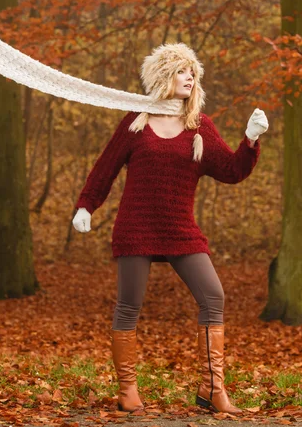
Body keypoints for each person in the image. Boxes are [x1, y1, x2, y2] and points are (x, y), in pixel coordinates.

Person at [71, 43, 268, 415]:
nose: (189, 77)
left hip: (180, 229)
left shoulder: (200, 126)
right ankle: (128, 390)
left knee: (213, 297)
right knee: (129, 306)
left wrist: (250, 140)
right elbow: (105, 168)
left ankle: (212, 389)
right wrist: (86, 205)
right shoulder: (136, 122)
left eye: (193, 72)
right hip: (136, 228)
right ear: (163, 76)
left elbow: (232, 171)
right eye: (181, 71)